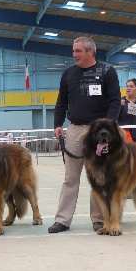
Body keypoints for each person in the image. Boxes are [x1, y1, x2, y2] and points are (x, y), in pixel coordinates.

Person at [48, 37, 121, 233]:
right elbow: (61, 102)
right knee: (70, 177)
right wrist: (57, 124)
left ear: (90, 52)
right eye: (73, 51)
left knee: (99, 177)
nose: (74, 55)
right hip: (75, 129)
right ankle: (63, 219)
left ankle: (98, 219)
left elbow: (115, 101)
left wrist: (109, 126)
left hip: (100, 132)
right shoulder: (68, 74)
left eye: (78, 51)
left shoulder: (107, 72)